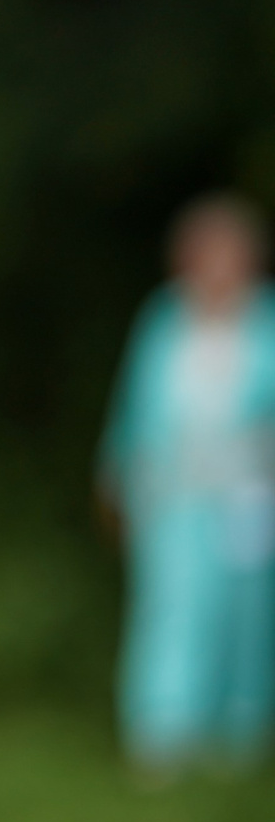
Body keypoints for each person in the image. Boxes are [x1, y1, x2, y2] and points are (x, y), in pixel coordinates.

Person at [100, 192, 275, 773]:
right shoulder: (163, 320)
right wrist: (115, 475)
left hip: (251, 497)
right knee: (171, 608)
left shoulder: (266, 323)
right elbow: (134, 407)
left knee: (248, 616)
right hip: (172, 494)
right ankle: (165, 732)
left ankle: (240, 737)